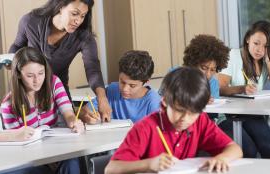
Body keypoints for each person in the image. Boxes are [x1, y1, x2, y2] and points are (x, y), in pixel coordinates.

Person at [105, 67, 242, 174]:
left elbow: (235, 149)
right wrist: (149, 164)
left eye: (193, 113)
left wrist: (221, 158)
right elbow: (111, 169)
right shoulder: (146, 127)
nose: (185, 119)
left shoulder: (199, 121)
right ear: (164, 101)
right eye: (179, 110)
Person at [9, 0, 112, 122]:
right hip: (28, 90)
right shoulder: (31, 21)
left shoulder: (84, 37)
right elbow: (17, 46)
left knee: (69, 125)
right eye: (74, 13)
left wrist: (102, 99)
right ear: (60, 7)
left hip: (59, 91)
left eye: (83, 16)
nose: (78, 21)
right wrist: (10, 61)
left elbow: (93, 68)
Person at [1, 47, 84, 173]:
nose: (37, 80)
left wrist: (74, 122)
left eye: (41, 73)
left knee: (71, 161)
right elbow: (17, 144)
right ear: (18, 74)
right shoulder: (8, 105)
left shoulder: (54, 82)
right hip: (30, 157)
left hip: (59, 148)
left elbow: (68, 114)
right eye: (30, 76)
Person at [218, 20, 270, 159]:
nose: (259, 50)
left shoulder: (265, 62)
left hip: (251, 114)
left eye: (266, 46)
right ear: (248, 38)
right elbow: (220, 88)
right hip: (227, 116)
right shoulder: (233, 55)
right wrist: (242, 88)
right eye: (256, 43)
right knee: (248, 149)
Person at [80, 50, 161, 124]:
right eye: (122, 82)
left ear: (146, 81)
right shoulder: (112, 90)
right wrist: (86, 116)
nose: (124, 89)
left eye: (132, 85)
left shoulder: (153, 103)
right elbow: (81, 111)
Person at [182, 34, 230, 123]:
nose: (208, 74)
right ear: (193, 63)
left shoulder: (213, 83)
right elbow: (164, 105)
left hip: (208, 124)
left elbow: (214, 114)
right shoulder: (176, 76)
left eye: (213, 70)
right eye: (204, 68)